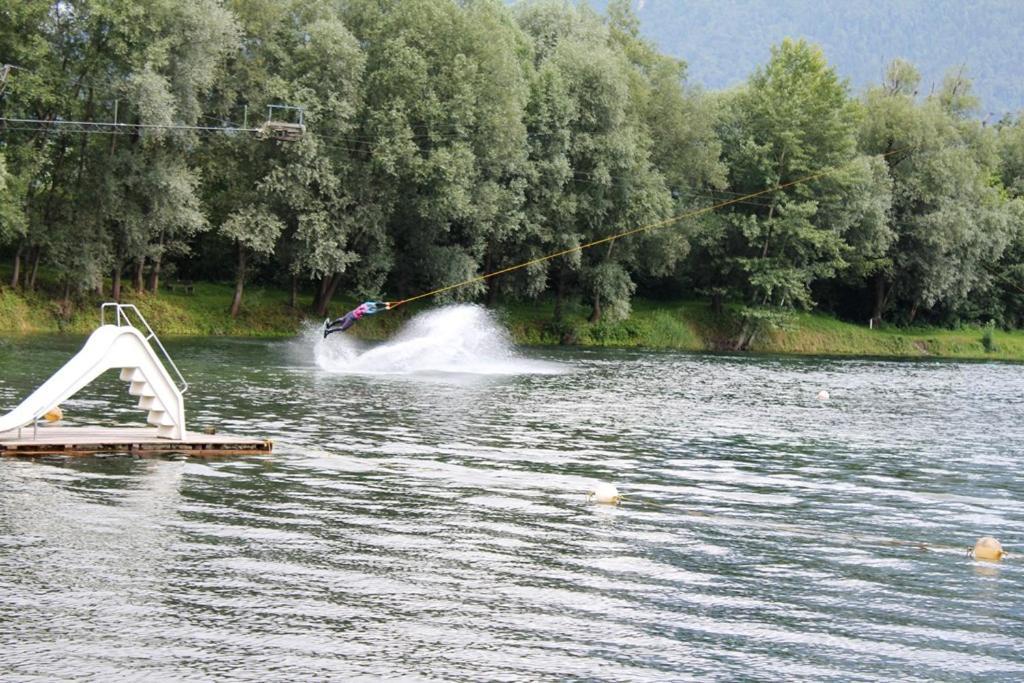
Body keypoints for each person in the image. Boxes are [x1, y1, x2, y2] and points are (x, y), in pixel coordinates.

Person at [323, 301, 390, 338]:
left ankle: (329, 325)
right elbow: (376, 310)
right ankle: (328, 331)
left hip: (351, 312)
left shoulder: (368, 303)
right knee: (343, 328)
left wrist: (385, 304)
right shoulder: (371, 311)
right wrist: (385, 308)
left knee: (342, 319)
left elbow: (376, 303)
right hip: (352, 318)